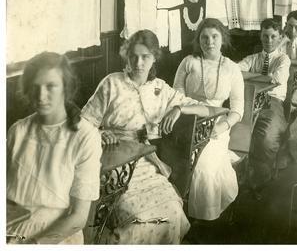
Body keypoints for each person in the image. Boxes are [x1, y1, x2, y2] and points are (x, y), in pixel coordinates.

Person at [82, 30, 212, 244]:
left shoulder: (160, 88)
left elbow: (204, 109)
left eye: (145, 57)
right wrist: (100, 132)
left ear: (154, 58)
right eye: (133, 56)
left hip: (145, 161)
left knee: (170, 209)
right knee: (136, 218)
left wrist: (178, 108)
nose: (139, 63)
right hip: (113, 161)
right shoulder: (111, 84)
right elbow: (83, 122)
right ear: (126, 56)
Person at [7, 52, 102, 244]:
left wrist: (34, 245)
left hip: (56, 237)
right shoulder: (18, 130)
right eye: (35, 87)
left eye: (51, 86)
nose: (41, 96)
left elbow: (78, 218)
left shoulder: (85, 136)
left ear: (65, 89)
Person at [173, 18, 244, 221]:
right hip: (185, 120)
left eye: (214, 36)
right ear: (198, 40)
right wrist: (183, 111)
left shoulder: (232, 68)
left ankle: (202, 216)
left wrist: (222, 127)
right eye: (204, 37)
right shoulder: (189, 62)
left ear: (223, 39)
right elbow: (176, 93)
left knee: (202, 166)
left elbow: (238, 109)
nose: (209, 42)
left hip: (216, 125)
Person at [238, 19, 291, 193]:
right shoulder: (252, 58)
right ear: (260, 37)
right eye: (265, 36)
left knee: (265, 137)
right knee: (237, 132)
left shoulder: (283, 58)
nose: (268, 41)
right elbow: (236, 72)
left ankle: (259, 179)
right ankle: (238, 175)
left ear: (279, 37)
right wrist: (263, 76)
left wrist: (250, 76)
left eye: (273, 37)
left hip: (272, 102)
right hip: (248, 100)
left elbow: (277, 79)